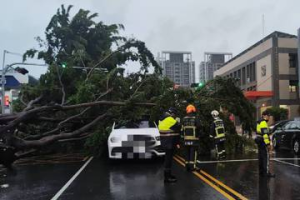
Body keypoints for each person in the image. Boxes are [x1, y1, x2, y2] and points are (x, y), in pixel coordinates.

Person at [158, 107, 181, 183]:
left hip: (165, 142)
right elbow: (179, 127)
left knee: (168, 159)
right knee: (168, 160)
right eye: (174, 114)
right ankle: (167, 178)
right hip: (169, 142)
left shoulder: (161, 120)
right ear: (172, 113)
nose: (174, 116)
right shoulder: (170, 119)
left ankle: (168, 175)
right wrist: (178, 121)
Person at [255, 110, 275, 178]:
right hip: (263, 141)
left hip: (259, 141)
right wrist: (268, 144)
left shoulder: (259, 122)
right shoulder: (263, 122)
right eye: (268, 116)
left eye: (269, 116)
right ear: (264, 116)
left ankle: (261, 173)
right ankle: (266, 173)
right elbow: (265, 134)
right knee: (265, 158)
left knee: (261, 157)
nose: (269, 117)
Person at [182, 104, 201, 171]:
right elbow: (199, 126)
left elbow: (181, 129)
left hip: (186, 139)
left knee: (187, 152)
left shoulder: (184, 118)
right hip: (194, 139)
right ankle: (193, 166)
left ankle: (187, 166)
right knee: (193, 152)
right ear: (193, 110)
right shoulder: (196, 118)